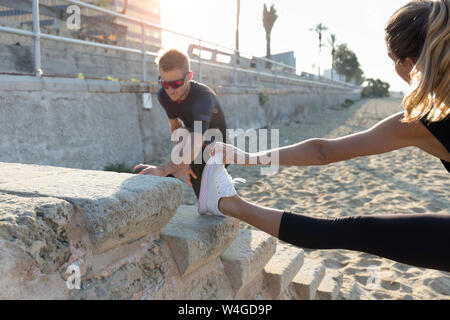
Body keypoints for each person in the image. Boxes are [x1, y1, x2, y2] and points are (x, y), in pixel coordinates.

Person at [199, 0, 450, 272]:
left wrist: (247, 158)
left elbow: (323, 151)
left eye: (393, 61)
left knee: (354, 231)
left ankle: (228, 203)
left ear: (411, 63)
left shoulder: (426, 120)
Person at [134, 49, 228, 200]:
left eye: (176, 83)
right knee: (183, 134)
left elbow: (197, 140)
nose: (170, 90)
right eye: (164, 83)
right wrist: (181, 160)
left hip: (217, 147)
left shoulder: (203, 97)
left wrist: (164, 169)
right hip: (193, 140)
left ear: (189, 76)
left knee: (214, 198)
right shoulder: (163, 95)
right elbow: (175, 127)